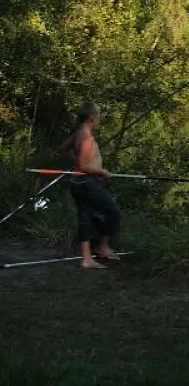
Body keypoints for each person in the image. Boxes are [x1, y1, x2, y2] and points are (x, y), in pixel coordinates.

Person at [59, 102, 121, 269]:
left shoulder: (78, 133)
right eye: (99, 116)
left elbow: (63, 149)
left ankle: (87, 259)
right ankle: (102, 246)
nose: (100, 119)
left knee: (85, 216)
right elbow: (83, 166)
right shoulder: (87, 138)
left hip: (79, 183)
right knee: (113, 212)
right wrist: (102, 171)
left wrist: (77, 162)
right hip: (88, 183)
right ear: (93, 119)